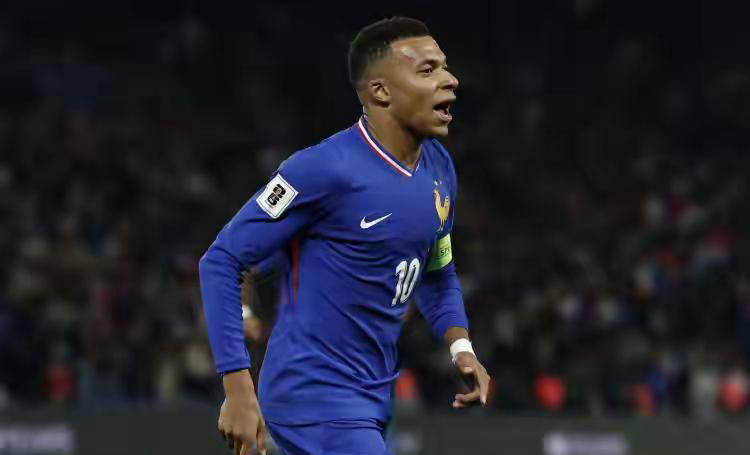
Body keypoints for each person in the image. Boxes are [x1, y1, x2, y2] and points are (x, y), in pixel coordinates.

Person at [198, 16, 490, 455]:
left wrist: (460, 346)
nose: (450, 80)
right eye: (427, 70)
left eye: (445, 67)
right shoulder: (322, 169)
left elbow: (437, 270)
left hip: (373, 393)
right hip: (313, 392)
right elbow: (222, 260)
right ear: (381, 91)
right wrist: (237, 388)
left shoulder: (439, 168)